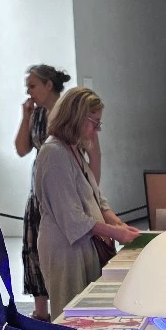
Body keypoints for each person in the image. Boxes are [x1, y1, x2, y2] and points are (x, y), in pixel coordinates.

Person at [34, 87, 139, 312]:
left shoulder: (72, 149)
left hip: (84, 245)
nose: (97, 130)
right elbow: (72, 218)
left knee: (88, 308)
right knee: (71, 312)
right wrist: (116, 233)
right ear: (76, 118)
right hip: (65, 250)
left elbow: (96, 198)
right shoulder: (54, 153)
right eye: (94, 123)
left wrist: (118, 224)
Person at [15, 64, 73, 321]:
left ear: (49, 85)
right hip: (38, 189)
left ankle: (65, 304)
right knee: (34, 247)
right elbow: (21, 149)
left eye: (32, 85)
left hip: (63, 187)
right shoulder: (36, 114)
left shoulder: (68, 112)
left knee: (61, 248)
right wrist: (25, 116)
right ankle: (41, 312)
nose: (29, 91)